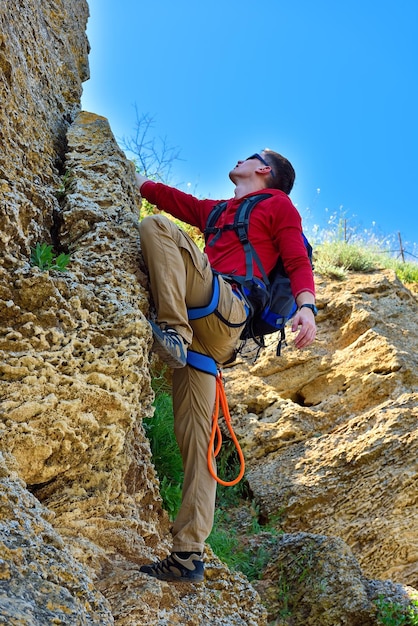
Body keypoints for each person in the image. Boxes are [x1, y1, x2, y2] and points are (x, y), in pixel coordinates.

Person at [136, 149, 316, 583]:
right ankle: (188, 556)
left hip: (225, 307)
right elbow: (165, 196)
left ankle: (173, 331)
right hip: (212, 340)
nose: (238, 158)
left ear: (264, 170)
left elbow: (296, 260)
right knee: (196, 439)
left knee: (155, 227)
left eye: (249, 156)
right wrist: (127, 175)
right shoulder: (217, 212)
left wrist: (307, 308)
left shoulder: (277, 205)